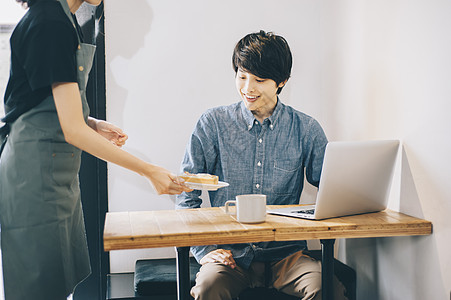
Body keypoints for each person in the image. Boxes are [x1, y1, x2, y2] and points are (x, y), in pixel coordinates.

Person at [0, 0, 191, 299]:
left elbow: (42, 99)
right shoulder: (51, 22)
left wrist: (92, 122)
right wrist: (148, 170)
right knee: (38, 288)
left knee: (57, 283)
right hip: (33, 175)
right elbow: (70, 129)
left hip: (52, 172)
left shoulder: (62, 19)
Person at [176, 31, 347, 300]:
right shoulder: (213, 123)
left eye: (259, 80)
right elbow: (186, 192)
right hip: (230, 257)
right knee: (208, 289)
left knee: (327, 290)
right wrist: (203, 250)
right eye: (241, 76)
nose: (248, 88)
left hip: (286, 256)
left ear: (282, 81)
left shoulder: (306, 128)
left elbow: (331, 188)